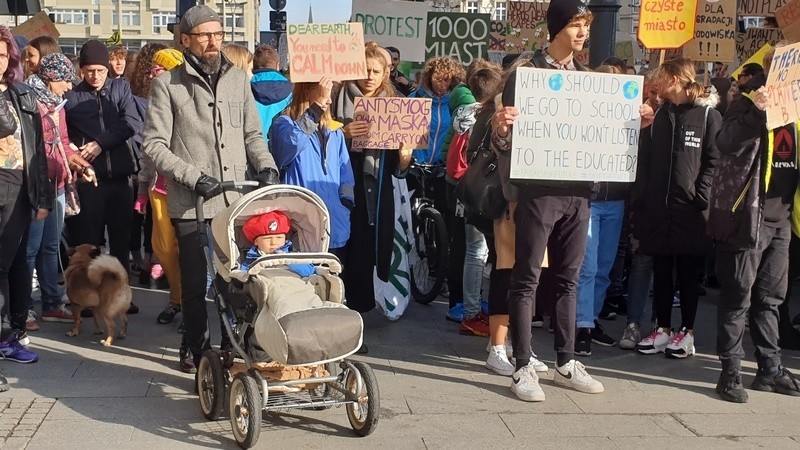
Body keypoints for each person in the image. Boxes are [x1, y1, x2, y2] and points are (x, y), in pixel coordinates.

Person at [142, 5, 279, 369]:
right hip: (191, 201)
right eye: (204, 35)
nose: (212, 41)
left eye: (218, 34)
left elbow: (252, 134)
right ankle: (195, 345)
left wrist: (266, 166)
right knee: (193, 278)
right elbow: (154, 145)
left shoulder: (237, 79)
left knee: (234, 278)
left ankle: (233, 343)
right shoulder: (167, 84)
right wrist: (192, 176)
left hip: (232, 199)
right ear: (185, 40)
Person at [493, 0, 605, 402]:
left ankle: (566, 361)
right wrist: (502, 128)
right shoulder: (526, 74)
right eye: (575, 24)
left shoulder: (590, 79)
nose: (582, 33)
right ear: (556, 27)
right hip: (539, 190)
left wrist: (631, 125)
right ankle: (522, 365)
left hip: (579, 191)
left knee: (569, 279)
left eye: (586, 25)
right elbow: (501, 141)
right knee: (527, 277)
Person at [711, 48, 800, 403]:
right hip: (749, 215)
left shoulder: (795, 103)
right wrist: (757, 112)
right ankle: (730, 370)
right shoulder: (747, 101)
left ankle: (769, 368)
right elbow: (725, 142)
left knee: (771, 299)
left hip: (781, 217)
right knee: (738, 295)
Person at [633, 58, 720, 358]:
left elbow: (714, 161)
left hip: (690, 210)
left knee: (687, 271)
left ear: (675, 79)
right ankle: (663, 328)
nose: (657, 81)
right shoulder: (662, 114)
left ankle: (687, 331)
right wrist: (644, 196)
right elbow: (646, 156)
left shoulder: (708, 114)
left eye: (662, 76)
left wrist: (700, 195)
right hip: (660, 207)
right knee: (661, 268)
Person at [331, 42, 412, 316]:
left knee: (366, 251)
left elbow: (400, 170)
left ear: (385, 73)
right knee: (339, 248)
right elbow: (315, 140)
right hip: (339, 187)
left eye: (376, 71)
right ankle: (333, 307)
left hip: (375, 192)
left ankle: (358, 314)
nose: (369, 76)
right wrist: (343, 134)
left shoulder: (396, 105)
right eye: (365, 70)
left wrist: (404, 155)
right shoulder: (334, 97)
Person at [64, 40, 142, 316]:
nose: (95, 76)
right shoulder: (73, 95)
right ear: (81, 70)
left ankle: (123, 296)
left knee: (121, 241)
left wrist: (99, 143)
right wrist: (76, 149)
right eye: (88, 70)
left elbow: (131, 123)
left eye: (99, 70)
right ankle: (90, 298)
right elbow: (66, 133)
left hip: (121, 177)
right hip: (90, 180)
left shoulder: (121, 88)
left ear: (107, 68)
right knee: (90, 241)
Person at [25, 53, 96, 329]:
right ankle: (24, 307)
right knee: (29, 249)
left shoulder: (58, 105)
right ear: (51, 77)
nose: (69, 86)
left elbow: (64, 144)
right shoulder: (29, 100)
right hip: (36, 185)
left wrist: (82, 165)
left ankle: (52, 303)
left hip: (58, 184)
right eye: (66, 80)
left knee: (51, 246)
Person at [0, 25, 53, 376]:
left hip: (20, 185)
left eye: (3, 54)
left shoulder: (20, 94)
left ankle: (11, 333)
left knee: (17, 261)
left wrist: (42, 195)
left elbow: (38, 149)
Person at [573, 64, 628, 356]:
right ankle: (581, 324)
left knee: (604, 268)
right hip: (591, 200)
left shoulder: (627, 120)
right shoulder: (585, 119)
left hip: (616, 199)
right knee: (588, 266)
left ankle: (590, 319)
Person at [269, 76, 354, 256]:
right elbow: (289, 147)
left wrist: (344, 204)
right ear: (307, 91)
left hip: (334, 223)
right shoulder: (284, 124)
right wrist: (315, 109)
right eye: (324, 94)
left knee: (333, 282)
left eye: (330, 94)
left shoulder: (334, 131)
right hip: (300, 224)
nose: (329, 100)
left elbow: (345, 174)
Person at [239, 210, 314, 276]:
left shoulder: (293, 253)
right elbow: (244, 277)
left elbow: (309, 272)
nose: (274, 243)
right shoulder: (251, 261)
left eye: (279, 238)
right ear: (256, 241)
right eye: (267, 238)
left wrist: (288, 259)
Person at [250, 44, 292, 147]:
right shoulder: (291, 90)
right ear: (277, 65)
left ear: (254, 64)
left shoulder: (245, 86)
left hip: (253, 146)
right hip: (281, 147)